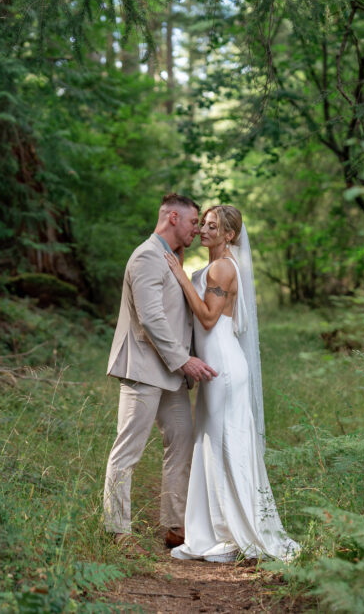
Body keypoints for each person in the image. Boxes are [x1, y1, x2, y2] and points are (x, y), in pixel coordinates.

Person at [163, 205, 300, 563]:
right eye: (203, 224)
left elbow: (208, 318)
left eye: (212, 226)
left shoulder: (222, 268)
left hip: (223, 367)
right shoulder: (210, 267)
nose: (205, 230)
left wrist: (180, 275)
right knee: (212, 445)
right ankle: (215, 529)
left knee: (224, 447)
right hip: (215, 368)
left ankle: (232, 535)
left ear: (229, 236)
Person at [103, 193, 219, 555]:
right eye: (193, 222)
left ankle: (174, 525)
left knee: (183, 438)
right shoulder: (146, 257)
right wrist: (184, 360)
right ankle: (117, 531)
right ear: (172, 218)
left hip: (169, 374)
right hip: (143, 368)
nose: (196, 229)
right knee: (128, 450)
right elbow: (151, 317)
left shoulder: (171, 259)